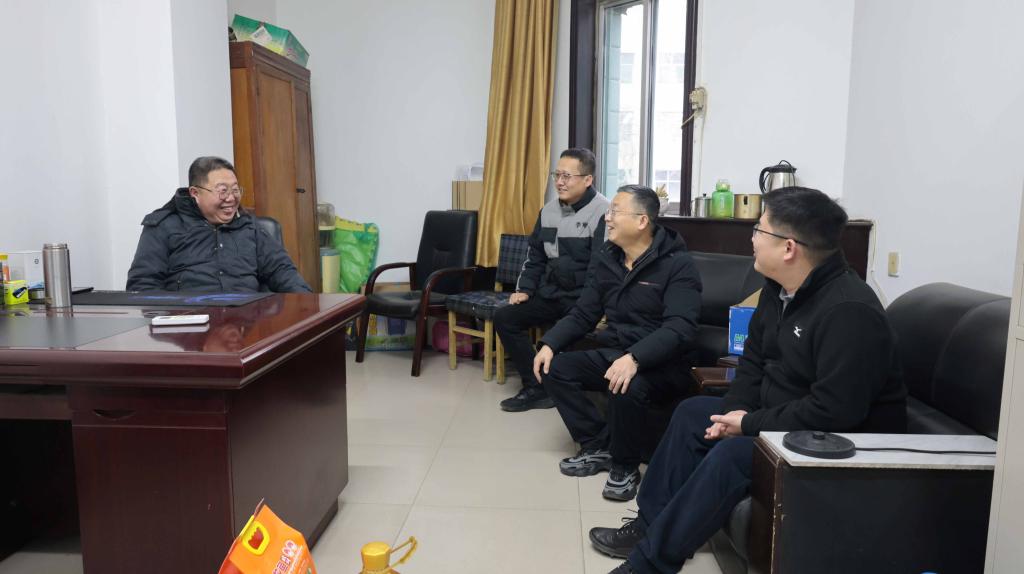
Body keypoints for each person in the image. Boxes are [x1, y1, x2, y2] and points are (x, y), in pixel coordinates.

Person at [590, 187, 908, 574]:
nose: (752, 238)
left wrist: (749, 425)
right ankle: (647, 527)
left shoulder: (849, 311)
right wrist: (734, 412)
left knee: (734, 454)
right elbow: (753, 362)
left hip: (837, 442)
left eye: (759, 229)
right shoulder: (778, 290)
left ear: (788, 248)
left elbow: (835, 411)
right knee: (693, 414)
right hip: (784, 418)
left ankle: (648, 566)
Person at [534, 185, 702, 502]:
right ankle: (598, 444)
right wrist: (550, 344)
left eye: (614, 212)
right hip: (617, 352)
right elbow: (584, 313)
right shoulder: (607, 259)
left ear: (642, 221)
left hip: (663, 363)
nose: (607, 219)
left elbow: (680, 327)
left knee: (624, 382)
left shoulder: (678, 265)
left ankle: (625, 466)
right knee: (554, 368)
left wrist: (635, 358)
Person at [495, 148, 609, 412]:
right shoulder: (547, 211)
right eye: (557, 175)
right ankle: (536, 387)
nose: (559, 182)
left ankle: (557, 385)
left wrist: (588, 307)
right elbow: (535, 256)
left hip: (582, 300)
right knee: (505, 317)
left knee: (564, 333)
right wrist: (524, 289)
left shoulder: (604, 212)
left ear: (588, 179)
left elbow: (599, 270)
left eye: (567, 176)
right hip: (551, 293)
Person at [126, 156, 311, 293]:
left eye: (235, 190)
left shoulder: (250, 227)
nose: (231, 198)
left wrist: (308, 307)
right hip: (188, 325)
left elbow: (283, 271)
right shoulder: (163, 226)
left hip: (246, 323)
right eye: (222, 191)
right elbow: (143, 286)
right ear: (195, 193)